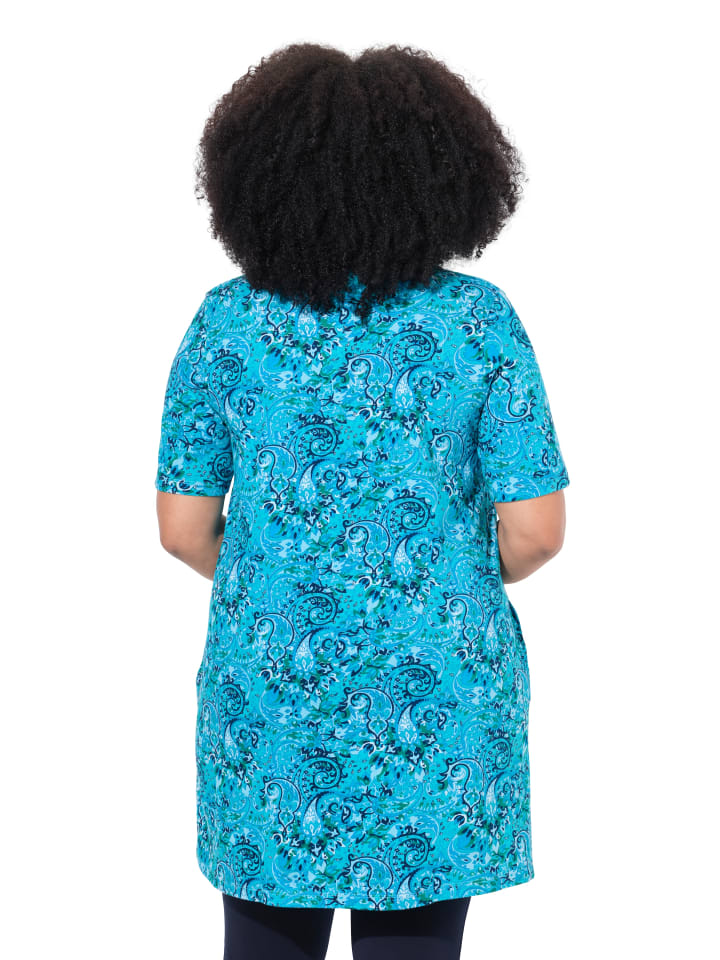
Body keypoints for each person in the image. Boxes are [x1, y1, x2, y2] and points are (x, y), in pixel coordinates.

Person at [155, 41, 569, 960]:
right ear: (445, 177)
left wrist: (287, 570)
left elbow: (182, 529)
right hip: (441, 697)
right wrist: (440, 579)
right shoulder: (478, 322)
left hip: (272, 695)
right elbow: (538, 532)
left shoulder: (229, 322)